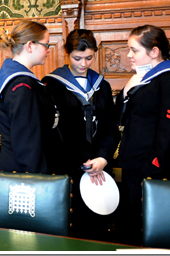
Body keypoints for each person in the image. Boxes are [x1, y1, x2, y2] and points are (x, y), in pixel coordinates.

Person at [115, 25, 170, 246]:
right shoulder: (142, 77)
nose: (129, 56)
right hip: (133, 165)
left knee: (152, 233)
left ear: (154, 51)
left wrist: (152, 168)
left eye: (134, 50)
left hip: (153, 169)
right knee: (133, 229)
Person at [42, 29, 117, 240]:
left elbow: (109, 127)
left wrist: (102, 157)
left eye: (89, 58)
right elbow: (53, 131)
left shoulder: (102, 85)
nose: (83, 64)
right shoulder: (51, 85)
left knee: (96, 227)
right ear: (67, 53)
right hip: (66, 163)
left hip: (98, 165)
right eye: (77, 58)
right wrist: (81, 160)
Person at [0, 20, 58, 174]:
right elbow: (26, 142)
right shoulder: (22, 84)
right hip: (24, 172)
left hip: (18, 166)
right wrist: (40, 178)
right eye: (46, 45)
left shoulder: (13, 75)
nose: (48, 50)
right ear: (30, 46)